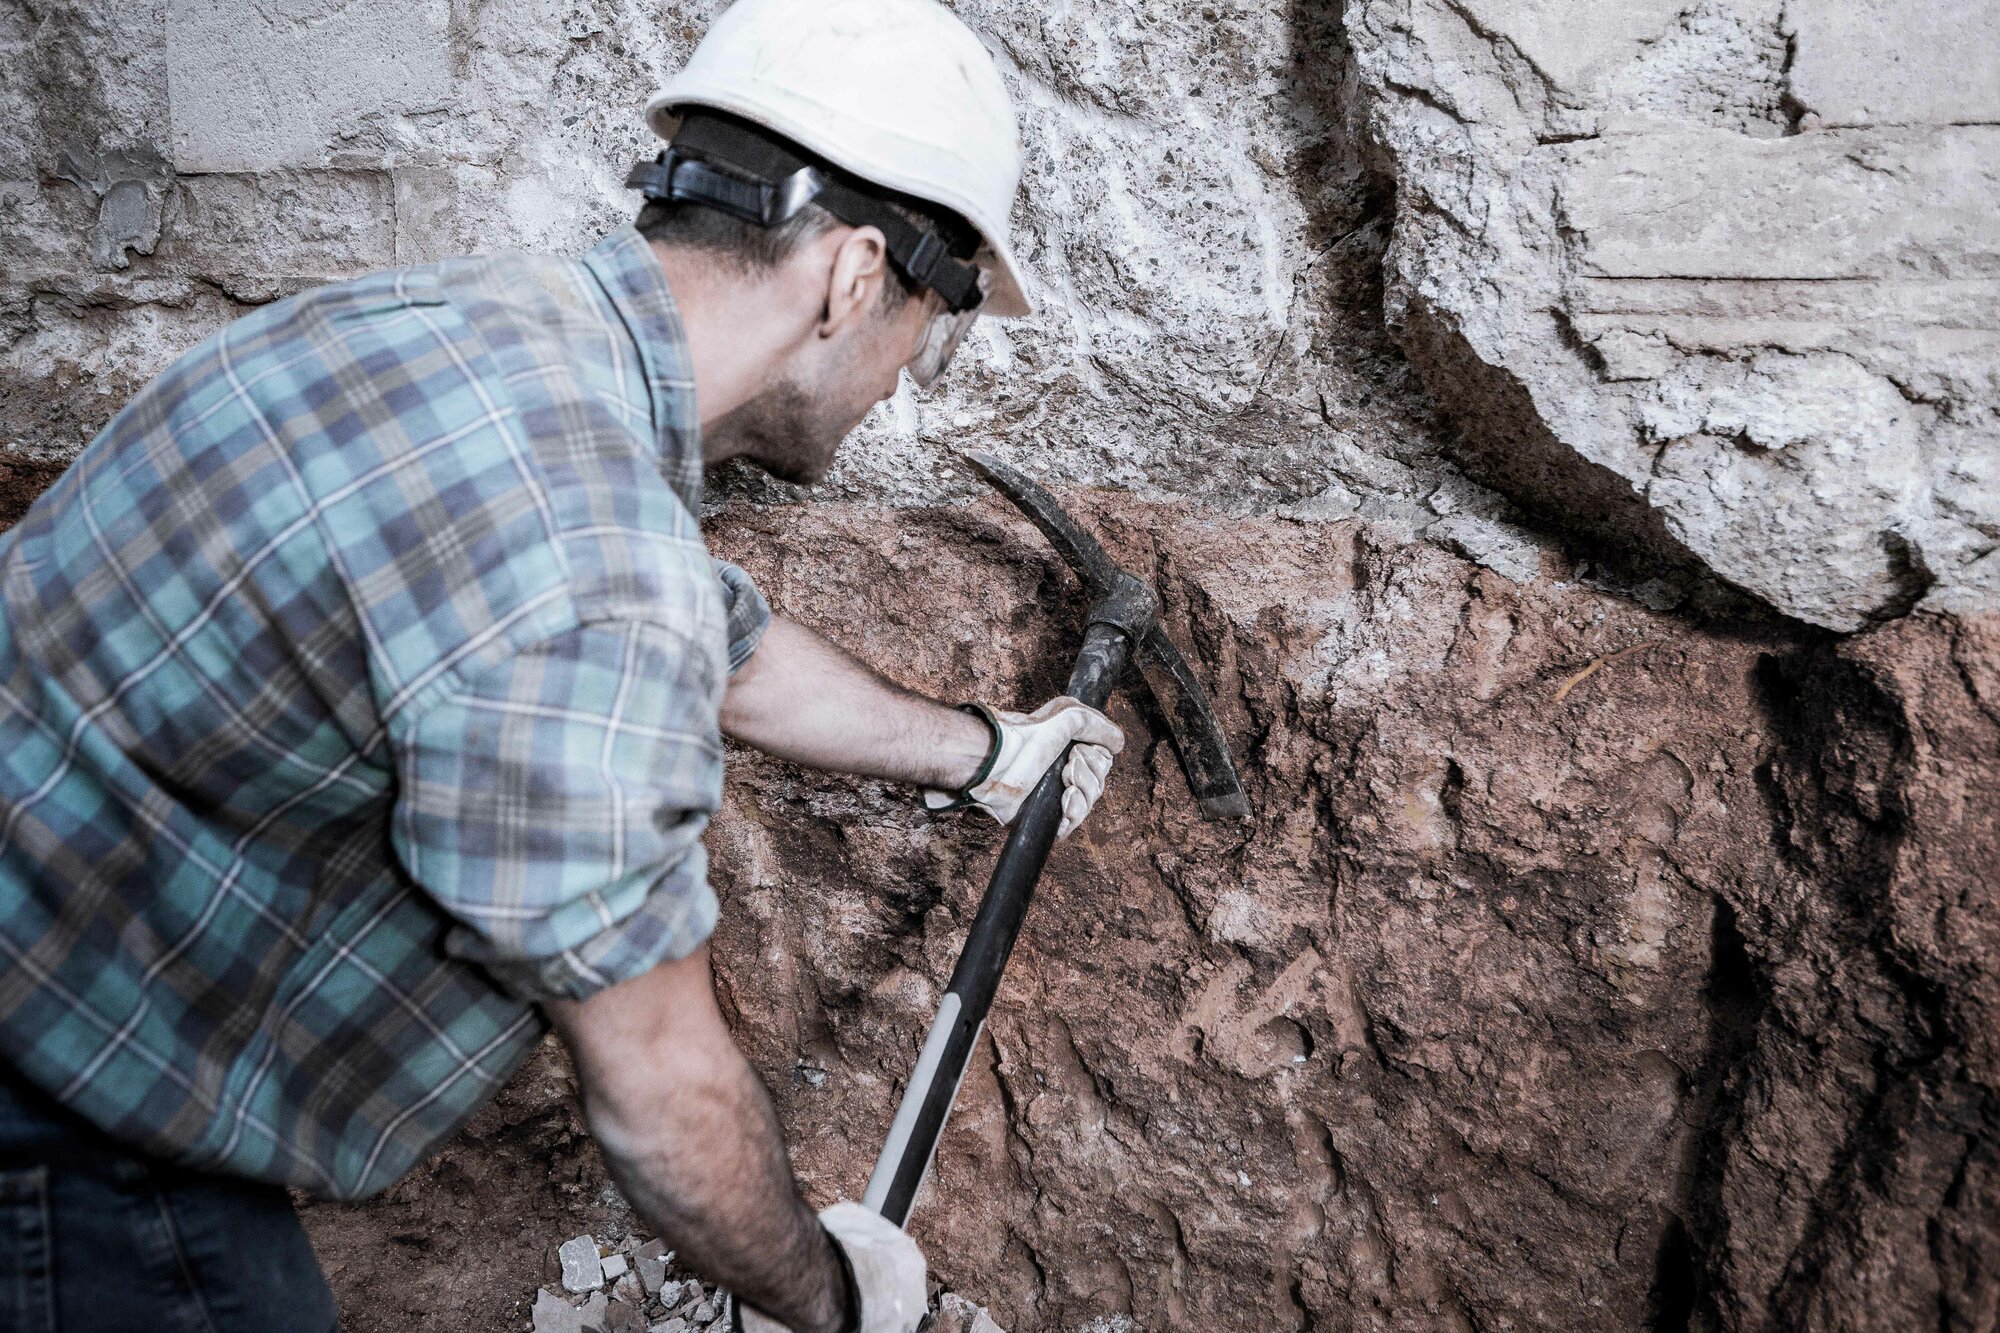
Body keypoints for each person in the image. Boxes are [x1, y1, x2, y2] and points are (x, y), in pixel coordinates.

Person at [0, 1, 1123, 1329]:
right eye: (929, 326)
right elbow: (656, 1090)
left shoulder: (468, 329)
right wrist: (835, 1297)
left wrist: (984, 751)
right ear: (853, 277)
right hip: (56, 1125)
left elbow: (706, 638)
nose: (902, 381)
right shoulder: (595, 564)